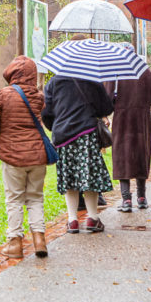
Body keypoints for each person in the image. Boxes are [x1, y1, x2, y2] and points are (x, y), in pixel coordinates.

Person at [0, 56, 49, 259]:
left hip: (13, 157)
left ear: (12, 73)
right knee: (36, 198)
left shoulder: (4, 95)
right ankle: (39, 239)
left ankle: (15, 243)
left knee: (14, 199)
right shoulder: (38, 96)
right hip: (37, 156)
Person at [42, 71, 114, 234]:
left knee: (69, 177)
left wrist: (57, 126)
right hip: (86, 133)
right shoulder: (91, 78)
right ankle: (92, 218)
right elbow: (106, 107)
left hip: (63, 136)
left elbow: (46, 112)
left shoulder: (54, 82)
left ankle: (72, 220)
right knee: (89, 176)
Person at [104, 69, 151, 213]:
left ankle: (126, 199)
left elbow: (107, 99)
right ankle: (142, 197)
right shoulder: (145, 72)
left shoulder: (115, 73)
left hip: (122, 118)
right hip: (142, 119)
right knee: (141, 153)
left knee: (122, 156)